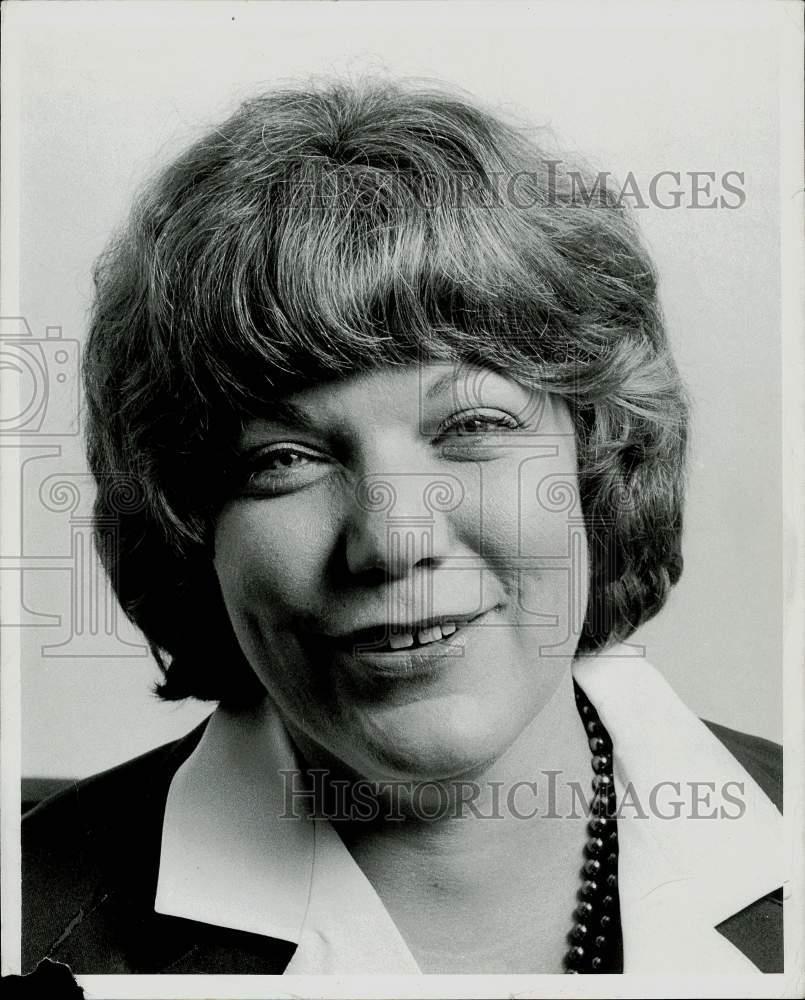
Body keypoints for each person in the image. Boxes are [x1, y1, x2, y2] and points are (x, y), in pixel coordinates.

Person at [22, 80, 784, 978]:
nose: (391, 541)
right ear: (191, 530)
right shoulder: (30, 928)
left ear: (596, 460)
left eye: (473, 426)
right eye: (282, 458)